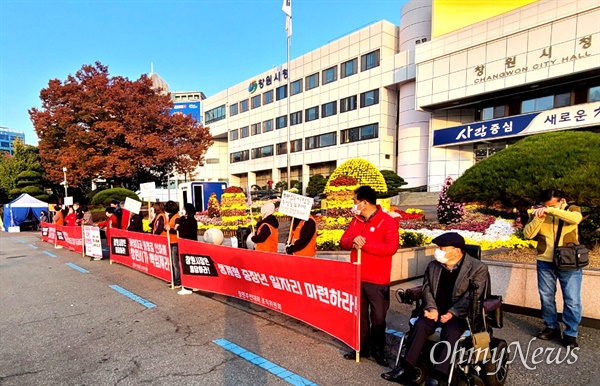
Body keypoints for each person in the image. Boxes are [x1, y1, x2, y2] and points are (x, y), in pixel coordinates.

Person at [382, 232, 488, 386]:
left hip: (460, 314)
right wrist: (432, 308)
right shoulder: (433, 266)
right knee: (420, 325)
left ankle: (440, 376)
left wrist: (452, 312)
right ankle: (406, 368)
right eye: (438, 247)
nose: (438, 251)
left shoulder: (478, 268)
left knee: (451, 332)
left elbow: (473, 296)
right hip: (435, 310)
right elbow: (427, 289)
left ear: (457, 250)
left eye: (442, 248)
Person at [340, 186, 399, 367]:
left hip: (377, 280)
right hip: (357, 276)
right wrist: (353, 240)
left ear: (364, 202)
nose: (353, 205)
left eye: (355, 201)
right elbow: (343, 241)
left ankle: (379, 350)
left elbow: (391, 248)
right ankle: (362, 348)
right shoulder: (356, 221)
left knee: (378, 318)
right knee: (360, 316)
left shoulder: (387, 222)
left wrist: (365, 244)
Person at [523, 189, 583, 349]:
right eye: (544, 205)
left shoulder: (572, 209)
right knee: (546, 297)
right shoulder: (538, 211)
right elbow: (528, 234)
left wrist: (551, 210)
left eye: (551, 205)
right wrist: (539, 218)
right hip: (545, 261)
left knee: (572, 299)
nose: (546, 208)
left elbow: (576, 219)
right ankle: (552, 327)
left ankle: (571, 333)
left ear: (561, 200)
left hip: (568, 261)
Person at [174, 203, 199, 296]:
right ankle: (191, 285)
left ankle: (188, 287)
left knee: (188, 266)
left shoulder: (192, 221)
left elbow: (185, 232)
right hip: (184, 246)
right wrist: (178, 223)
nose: (182, 210)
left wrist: (178, 227)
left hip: (190, 246)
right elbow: (179, 221)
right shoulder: (184, 219)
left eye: (184, 209)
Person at [164, 201, 181, 287]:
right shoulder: (170, 217)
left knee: (175, 263)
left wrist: (169, 229)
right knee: (172, 262)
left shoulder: (176, 218)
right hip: (170, 241)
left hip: (174, 243)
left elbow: (177, 230)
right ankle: (173, 278)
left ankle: (177, 280)